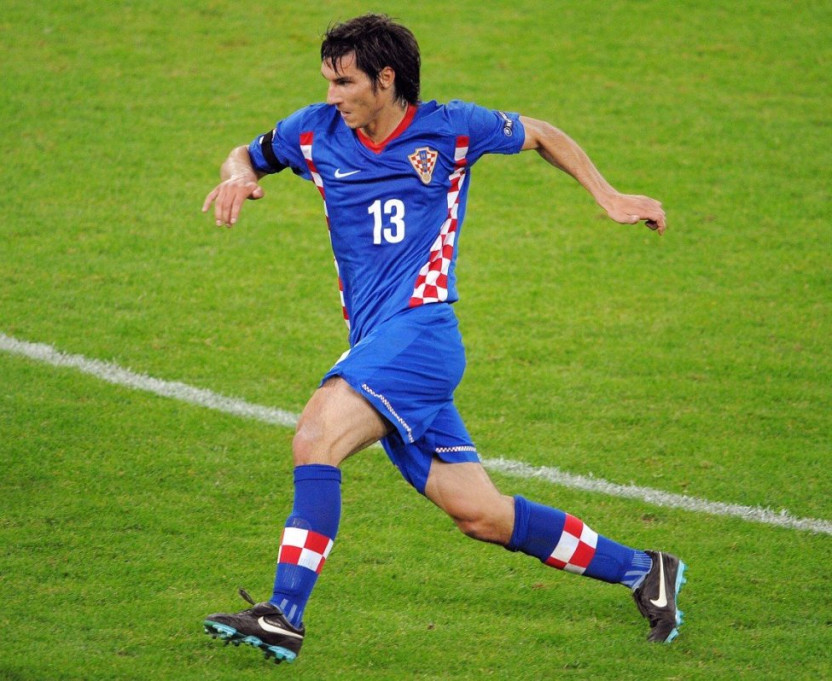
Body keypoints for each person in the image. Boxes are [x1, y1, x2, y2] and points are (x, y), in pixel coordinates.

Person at [200, 14, 684, 664]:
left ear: (386, 79)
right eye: (328, 81)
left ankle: (284, 613)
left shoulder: (451, 128)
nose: (332, 95)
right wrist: (237, 175)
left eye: (344, 82)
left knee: (316, 436)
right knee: (479, 513)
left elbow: (541, 133)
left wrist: (608, 195)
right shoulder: (313, 131)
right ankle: (646, 570)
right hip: (378, 343)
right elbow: (247, 152)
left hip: (421, 332)